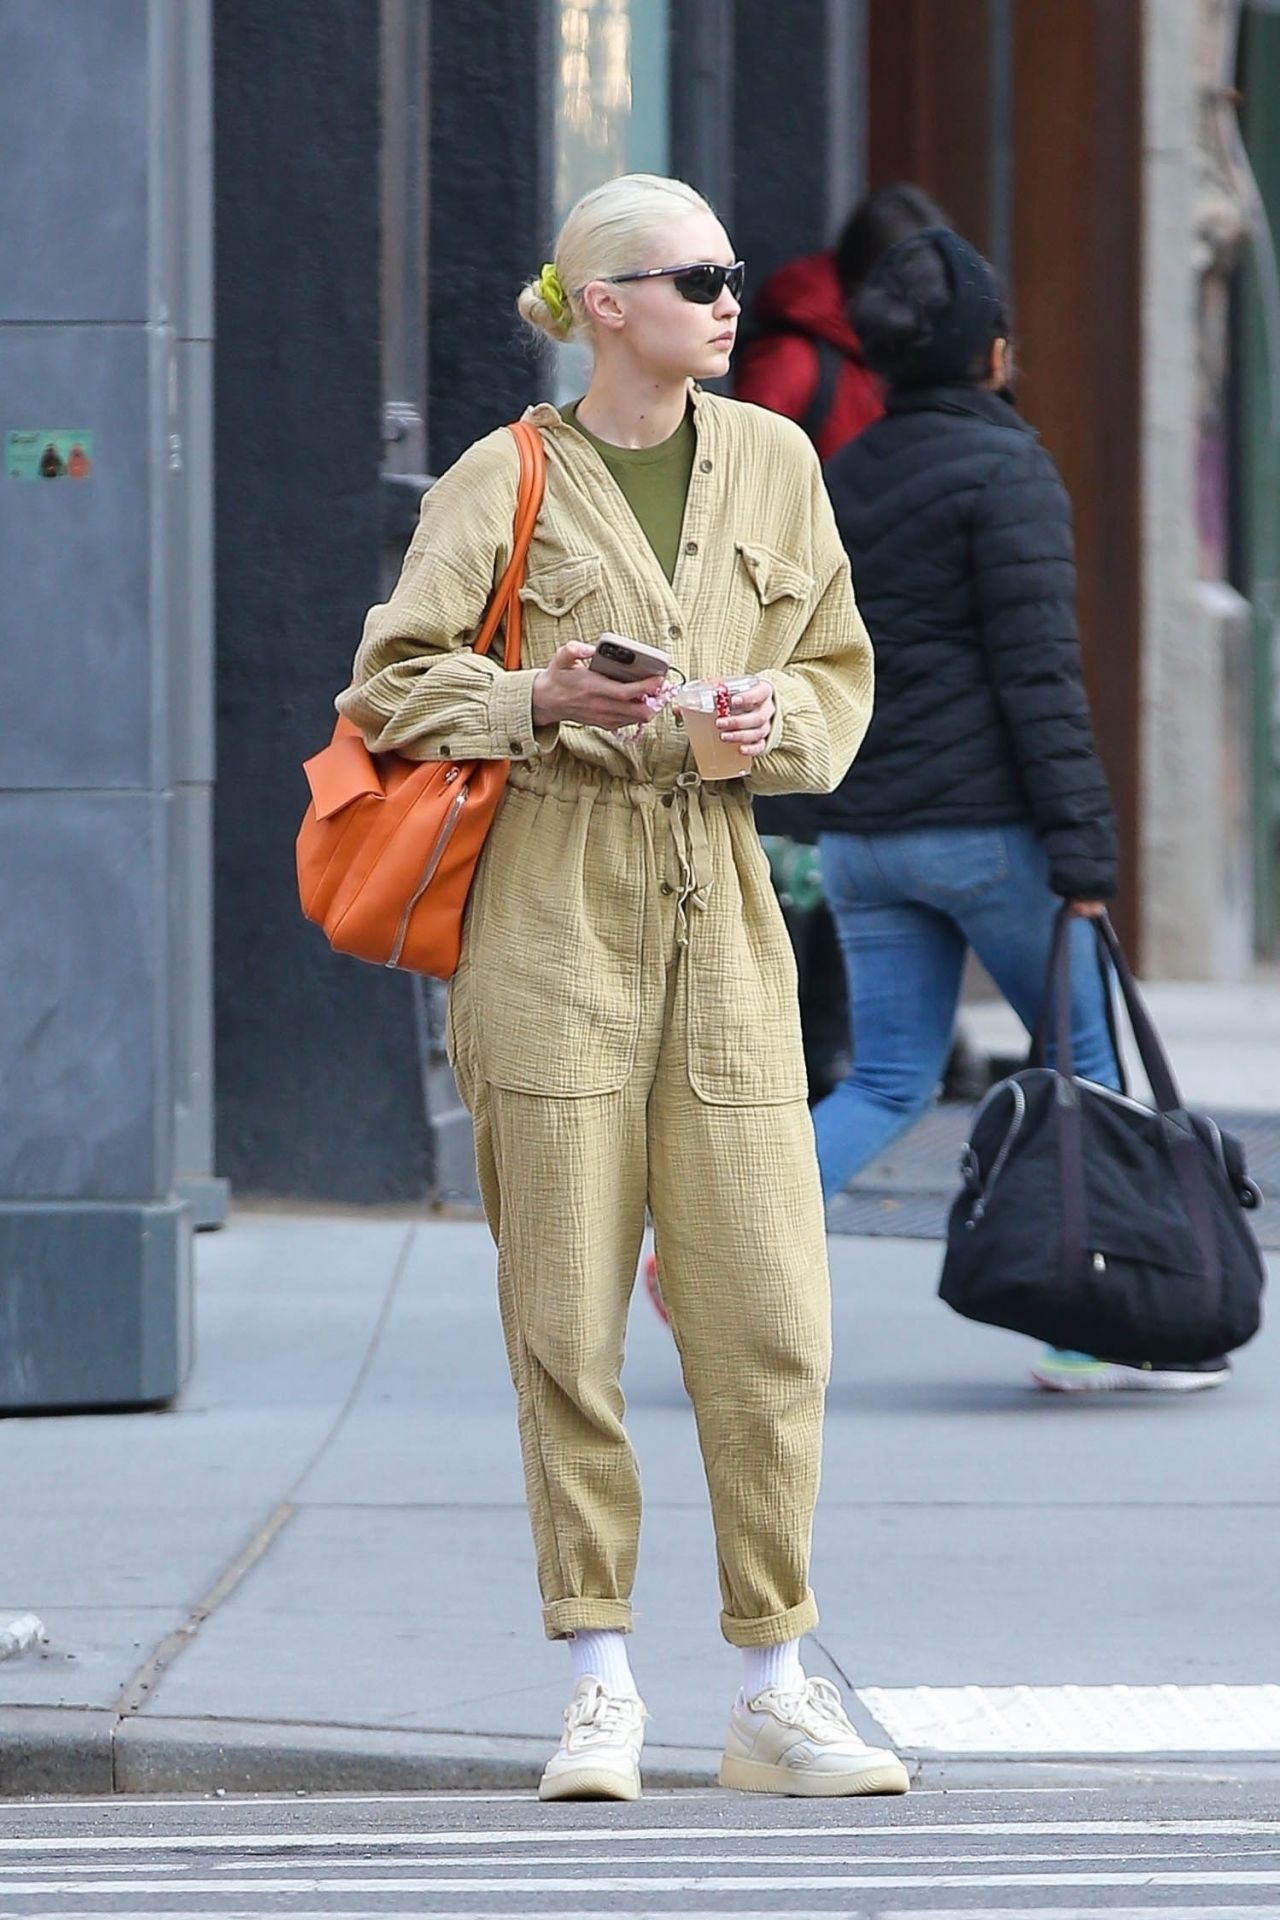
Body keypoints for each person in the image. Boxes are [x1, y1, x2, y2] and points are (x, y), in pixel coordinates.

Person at [336, 173, 911, 1802]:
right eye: (696, 275)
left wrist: (761, 733)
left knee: (769, 1309)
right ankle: (597, 1679)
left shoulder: (778, 461)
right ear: (603, 302)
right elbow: (391, 683)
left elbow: (837, 675)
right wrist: (539, 693)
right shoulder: (504, 476)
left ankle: (772, 1685)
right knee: (566, 1314)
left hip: (720, 895)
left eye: (731, 273)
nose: (732, 298)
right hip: (551, 903)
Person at [816, 226, 1231, 1398]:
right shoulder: (1006, 472)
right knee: (1081, 1070)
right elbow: (1037, 677)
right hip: (983, 830)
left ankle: (710, 1260)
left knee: (886, 1081)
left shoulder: (841, 472)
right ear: (990, 355)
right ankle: (1087, 1326)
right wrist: (1083, 848)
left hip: (862, 830)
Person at [733, 184, 948, 1107]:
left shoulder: (900, 364)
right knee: (802, 855)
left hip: (877, 640)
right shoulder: (795, 362)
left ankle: (834, 1039)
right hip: (796, 645)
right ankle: (801, 1048)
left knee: (843, 850)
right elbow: (746, 496)